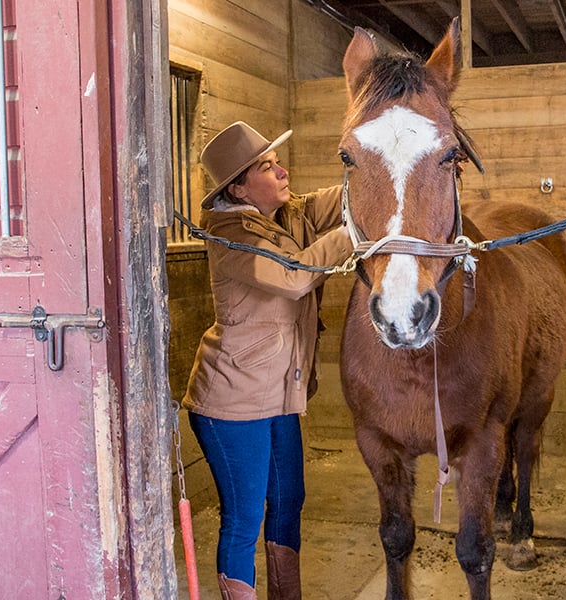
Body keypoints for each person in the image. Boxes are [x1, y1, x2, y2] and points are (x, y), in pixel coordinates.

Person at [182, 121, 353, 600]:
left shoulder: (289, 212)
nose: (282, 170)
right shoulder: (230, 237)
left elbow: (348, 196)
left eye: (276, 161)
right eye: (266, 166)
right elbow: (294, 276)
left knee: (288, 501)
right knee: (244, 519)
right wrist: (351, 235)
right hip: (231, 403)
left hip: (278, 393)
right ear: (238, 187)